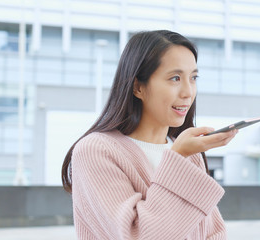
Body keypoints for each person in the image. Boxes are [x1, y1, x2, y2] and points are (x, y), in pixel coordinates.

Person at [61, 30, 237, 240]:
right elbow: (137, 235)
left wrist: (183, 154)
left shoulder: (190, 153)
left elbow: (214, 232)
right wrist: (178, 157)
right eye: (175, 78)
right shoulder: (96, 150)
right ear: (138, 87)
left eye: (193, 78)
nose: (188, 92)